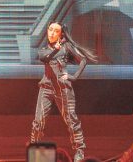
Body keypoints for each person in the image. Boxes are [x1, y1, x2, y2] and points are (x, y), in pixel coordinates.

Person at [30, 22, 96, 162]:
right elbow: (45, 58)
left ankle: (79, 151)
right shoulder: (44, 50)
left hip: (64, 89)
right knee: (38, 121)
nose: (52, 33)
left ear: (61, 35)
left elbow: (83, 60)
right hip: (46, 88)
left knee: (71, 120)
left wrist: (74, 76)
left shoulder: (67, 47)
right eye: (50, 30)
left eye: (56, 31)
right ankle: (34, 149)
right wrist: (55, 50)